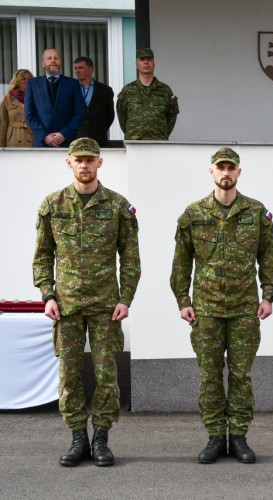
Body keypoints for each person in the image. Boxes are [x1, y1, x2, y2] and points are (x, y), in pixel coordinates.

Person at [32, 137, 141, 467]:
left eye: (90, 160)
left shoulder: (118, 206)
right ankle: (78, 437)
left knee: (107, 375)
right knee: (69, 375)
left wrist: (126, 299)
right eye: (78, 159)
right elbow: (42, 257)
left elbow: (131, 259)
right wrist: (47, 294)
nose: (84, 164)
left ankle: (101, 439)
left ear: (99, 163)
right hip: (66, 306)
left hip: (106, 305)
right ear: (69, 163)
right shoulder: (53, 205)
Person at [170, 147, 273, 464]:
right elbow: (181, 263)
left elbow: (267, 258)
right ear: (212, 172)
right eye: (221, 167)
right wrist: (183, 300)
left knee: (242, 376)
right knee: (209, 376)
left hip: (245, 309)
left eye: (231, 168)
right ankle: (216, 437)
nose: (226, 173)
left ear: (239, 173)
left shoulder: (256, 213)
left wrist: (268, 295)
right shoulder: (193, 215)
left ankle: (240, 438)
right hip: (206, 310)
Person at [24, 48, 84, 148]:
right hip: (42, 142)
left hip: (67, 142)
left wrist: (64, 134)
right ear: (43, 63)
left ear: (60, 62)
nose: (53, 60)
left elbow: (79, 113)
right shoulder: (32, 84)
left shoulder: (73, 84)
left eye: (56, 58)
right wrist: (45, 136)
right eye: (49, 58)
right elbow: (29, 114)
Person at [116, 47, 179, 140]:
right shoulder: (127, 90)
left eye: (149, 59)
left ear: (154, 64)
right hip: (134, 143)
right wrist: (133, 134)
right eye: (142, 59)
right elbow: (121, 116)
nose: (146, 62)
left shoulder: (165, 90)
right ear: (136, 64)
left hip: (159, 142)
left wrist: (161, 133)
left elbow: (172, 116)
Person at [72, 57, 115, 146]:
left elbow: (110, 115)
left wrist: (99, 129)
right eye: (75, 68)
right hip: (75, 138)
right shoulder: (70, 88)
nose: (77, 71)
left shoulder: (105, 90)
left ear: (91, 69)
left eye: (81, 68)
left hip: (98, 139)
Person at [0, 68, 34, 147]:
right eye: (23, 79)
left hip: (32, 139)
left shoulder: (37, 97)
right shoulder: (8, 99)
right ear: (17, 81)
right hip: (14, 140)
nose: (26, 80)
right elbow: (2, 124)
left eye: (29, 79)